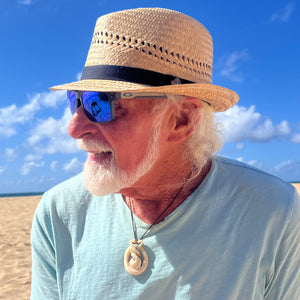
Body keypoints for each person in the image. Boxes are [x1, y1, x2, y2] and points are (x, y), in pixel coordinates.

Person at [31, 7, 300, 299]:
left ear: (182, 119)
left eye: (101, 103)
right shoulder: (59, 212)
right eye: (77, 102)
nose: (74, 128)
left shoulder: (272, 211)